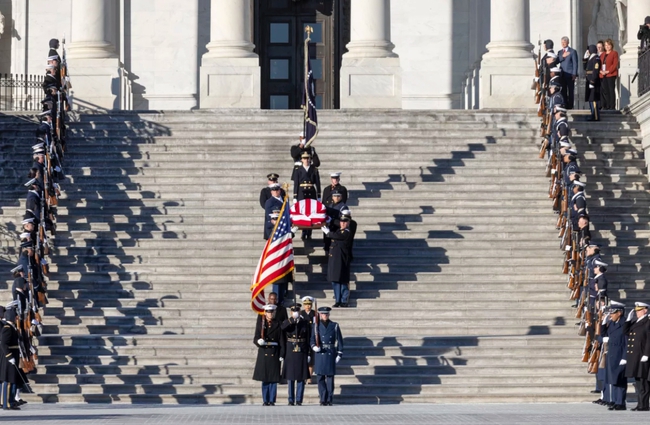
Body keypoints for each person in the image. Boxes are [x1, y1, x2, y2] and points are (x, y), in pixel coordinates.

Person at [310, 306, 343, 406]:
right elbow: (312, 339)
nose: (325, 315)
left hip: (330, 352)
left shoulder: (335, 325)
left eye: (327, 314)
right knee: (320, 377)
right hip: (320, 352)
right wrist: (314, 346)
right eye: (323, 314)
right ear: (320, 314)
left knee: (330, 377)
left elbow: (340, 341)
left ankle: (329, 398)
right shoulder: (316, 325)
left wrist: (339, 353)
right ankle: (322, 398)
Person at [253, 304, 284, 406]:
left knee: (273, 379)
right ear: (265, 313)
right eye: (268, 312)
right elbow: (256, 337)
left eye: (271, 312)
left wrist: (281, 354)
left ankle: (272, 400)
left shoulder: (278, 324)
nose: (270, 314)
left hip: (274, 352)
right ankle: (265, 400)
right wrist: (259, 341)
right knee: (265, 377)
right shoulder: (261, 323)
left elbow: (281, 340)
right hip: (264, 351)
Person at [281, 303, 311, 406]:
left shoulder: (304, 322)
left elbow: (308, 337)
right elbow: (283, 328)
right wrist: (292, 320)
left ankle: (299, 399)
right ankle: (290, 399)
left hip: (301, 349)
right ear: (291, 312)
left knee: (301, 376)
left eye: (297, 311)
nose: (295, 313)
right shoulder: (288, 322)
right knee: (290, 377)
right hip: (290, 349)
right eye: (294, 311)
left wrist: (309, 352)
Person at [624, 302, 650, 411]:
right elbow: (625, 332)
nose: (636, 312)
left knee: (643, 382)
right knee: (638, 382)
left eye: (639, 310)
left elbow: (649, 339)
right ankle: (640, 404)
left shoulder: (647, 322)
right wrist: (628, 320)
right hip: (635, 357)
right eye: (636, 310)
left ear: (645, 310)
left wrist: (647, 354)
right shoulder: (636, 322)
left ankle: (643, 405)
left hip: (642, 356)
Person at [602, 302, 628, 411]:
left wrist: (625, 357)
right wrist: (603, 322)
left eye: (613, 313)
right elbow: (604, 334)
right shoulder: (611, 323)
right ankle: (614, 401)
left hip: (620, 354)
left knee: (620, 380)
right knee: (613, 380)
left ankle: (620, 402)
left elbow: (628, 342)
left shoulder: (625, 324)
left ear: (620, 313)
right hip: (612, 354)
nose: (611, 315)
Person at [322, 216, 352, 308]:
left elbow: (338, 236)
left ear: (348, 223)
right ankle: (338, 300)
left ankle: (344, 300)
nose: (342, 223)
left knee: (343, 281)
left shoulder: (346, 232)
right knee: (335, 281)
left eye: (345, 222)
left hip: (342, 260)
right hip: (335, 260)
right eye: (341, 222)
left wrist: (328, 233)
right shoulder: (338, 231)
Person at [293, 152, 321, 241]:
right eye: (304, 158)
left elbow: (318, 183)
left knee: (311, 212)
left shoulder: (314, 169)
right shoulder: (298, 169)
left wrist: (319, 195)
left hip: (311, 191)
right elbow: (296, 183)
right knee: (303, 212)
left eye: (308, 158)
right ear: (301, 160)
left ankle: (309, 233)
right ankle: (304, 231)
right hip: (301, 192)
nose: (306, 160)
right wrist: (295, 196)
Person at [0, 307, 22, 410]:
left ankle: (11, 402)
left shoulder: (11, 327)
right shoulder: (7, 328)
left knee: (13, 379)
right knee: (8, 380)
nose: (17, 317)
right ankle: (7, 403)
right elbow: (4, 343)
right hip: (9, 357)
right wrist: (9, 356)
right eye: (15, 315)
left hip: (14, 354)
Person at [558, 36, 579, 109]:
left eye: (564, 42)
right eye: (562, 42)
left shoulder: (572, 51)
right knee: (563, 90)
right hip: (562, 74)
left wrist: (574, 74)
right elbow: (558, 60)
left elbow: (575, 63)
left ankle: (570, 105)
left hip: (570, 74)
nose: (563, 44)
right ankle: (564, 104)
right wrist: (563, 56)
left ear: (568, 42)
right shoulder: (560, 52)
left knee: (570, 90)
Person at [599, 39, 619, 111]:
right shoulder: (602, 54)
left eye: (608, 45)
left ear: (611, 46)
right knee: (605, 90)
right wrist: (601, 71)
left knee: (611, 90)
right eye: (606, 45)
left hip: (611, 74)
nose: (607, 47)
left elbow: (615, 64)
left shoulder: (614, 53)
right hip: (603, 75)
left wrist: (608, 71)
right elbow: (599, 64)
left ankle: (612, 106)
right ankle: (606, 105)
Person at [300, 296, 316, 380]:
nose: (308, 306)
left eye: (309, 304)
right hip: (303, 337)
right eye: (306, 304)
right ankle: (303, 376)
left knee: (311, 359)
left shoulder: (315, 314)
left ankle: (309, 377)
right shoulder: (301, 313)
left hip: (312, 337)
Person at [585, 45, 601, 121]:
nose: (588, 51)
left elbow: (596, 70)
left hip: (593, 81)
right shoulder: (590, 58)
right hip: (589, 80)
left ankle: (595, 116)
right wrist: (585, 59)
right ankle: (592, 114)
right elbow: (585, 67)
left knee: (594, 99)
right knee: (591, 99)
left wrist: (593, 81)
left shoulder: (596, 58)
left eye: (588, 50)